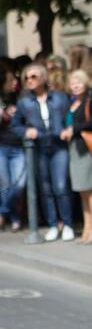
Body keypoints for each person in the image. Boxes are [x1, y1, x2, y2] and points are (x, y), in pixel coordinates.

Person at [12, 63, 74, 241]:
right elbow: (15, 124)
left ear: (43, 78)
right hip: (39, 147)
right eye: (26, 78)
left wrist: (68, 128)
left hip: (58, 145)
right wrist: (26, 131)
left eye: (33, 76)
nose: (29, 80)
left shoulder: (59, 97)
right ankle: (53, 224)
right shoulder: (24, 102)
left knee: (61, 186)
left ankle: (67, 223)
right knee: (45, 188)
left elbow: (70, 115)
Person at [61, 70, 92, 244]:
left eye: (78, 81)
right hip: (74, 148)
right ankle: (87, 226)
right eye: (72, 82)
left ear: (86, 82)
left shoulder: (90, 99)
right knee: (82, 191)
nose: (75, 85)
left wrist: (74, 129)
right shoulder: (72, 102)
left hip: (86, 147)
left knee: (91, 188)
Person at [0, 63, 25, 232]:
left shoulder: (22, 97)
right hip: (2, 146)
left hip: (20, 147)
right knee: (5, 185)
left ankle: (2, 212)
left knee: (19, 184)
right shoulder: (1, 99)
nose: (15, 82)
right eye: (11, 79)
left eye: (15, 78)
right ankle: (15, 218)